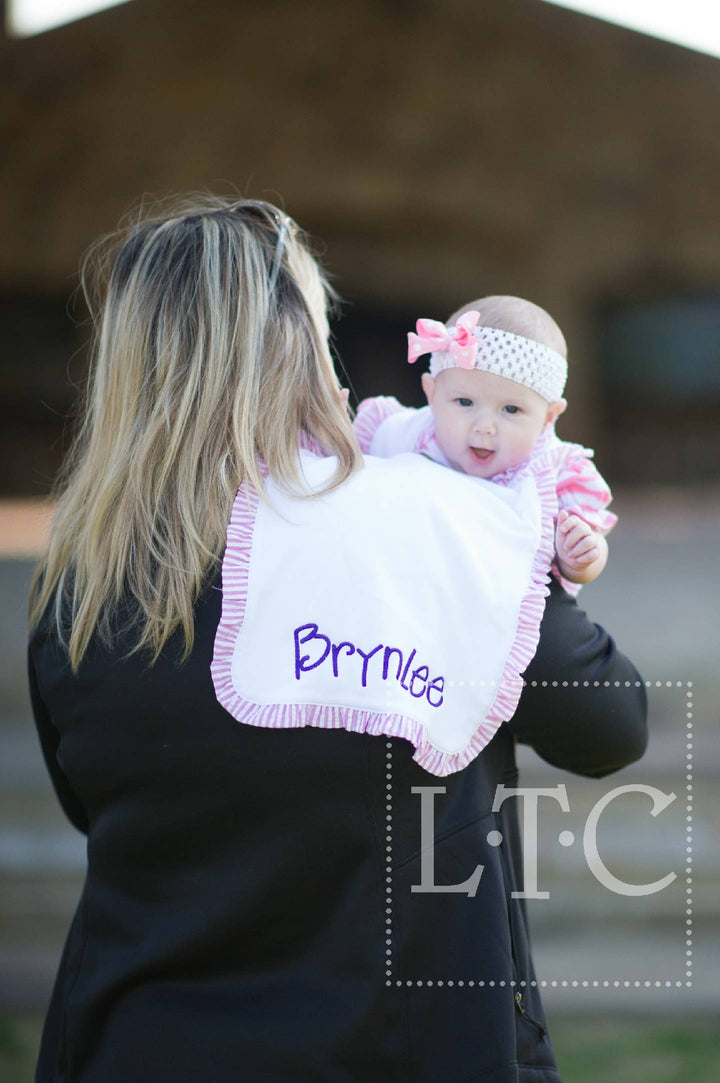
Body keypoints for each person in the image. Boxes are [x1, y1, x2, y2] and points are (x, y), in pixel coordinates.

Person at [28, 196, 647, 1083]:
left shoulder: (81, 582)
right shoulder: (438, 524)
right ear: (301, 347)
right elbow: (612, 723)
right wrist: (537, 549)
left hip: (137, 1041)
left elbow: (92, 807)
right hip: (402, 1044)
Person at [354, 295, 616, 592]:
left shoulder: (556, 473)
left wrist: (580, 557)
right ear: (431, 393)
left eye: (511, 410)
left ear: (548, 417)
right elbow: (331, 469)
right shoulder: (398, 431)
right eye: (464, 402)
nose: (485, 427)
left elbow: (590, 549)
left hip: (496, 603)